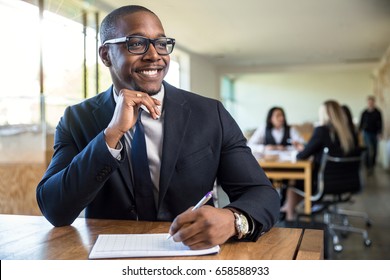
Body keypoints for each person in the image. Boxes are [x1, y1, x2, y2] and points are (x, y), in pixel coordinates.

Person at [36, 5, 280, 250]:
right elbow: (55, 209)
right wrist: (111, 135)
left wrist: (233, 220)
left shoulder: (210, 113)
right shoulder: (77, 118)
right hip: (108, 257)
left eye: (161, 43)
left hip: (191, 253)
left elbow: (263, 194)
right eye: (137, 43)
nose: (154, 55)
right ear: (106, 55)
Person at [281, 100, 357, 221]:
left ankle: (289, 218)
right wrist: (307, 149)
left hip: (324, 183)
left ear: (325, 114)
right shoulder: (349, 132)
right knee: (299, 183)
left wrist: (302, 151)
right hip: (349, 181)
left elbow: (301, 156)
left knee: (293, 183)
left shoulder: (322, 130)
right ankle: (287, 208)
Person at [358, 96, 383, 172]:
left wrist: (380, 132)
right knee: (368, 149)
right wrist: (359, 132)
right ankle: (368, 165)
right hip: (367, 133)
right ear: (367, 103)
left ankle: (372, 165)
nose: (370, 103)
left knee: (375, 150)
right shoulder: (364, 112)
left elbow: (380, 123)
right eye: (369, 102)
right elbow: (361, 123)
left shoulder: (378, 112)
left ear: (374, 103)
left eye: (372, 102)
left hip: (375, 133)